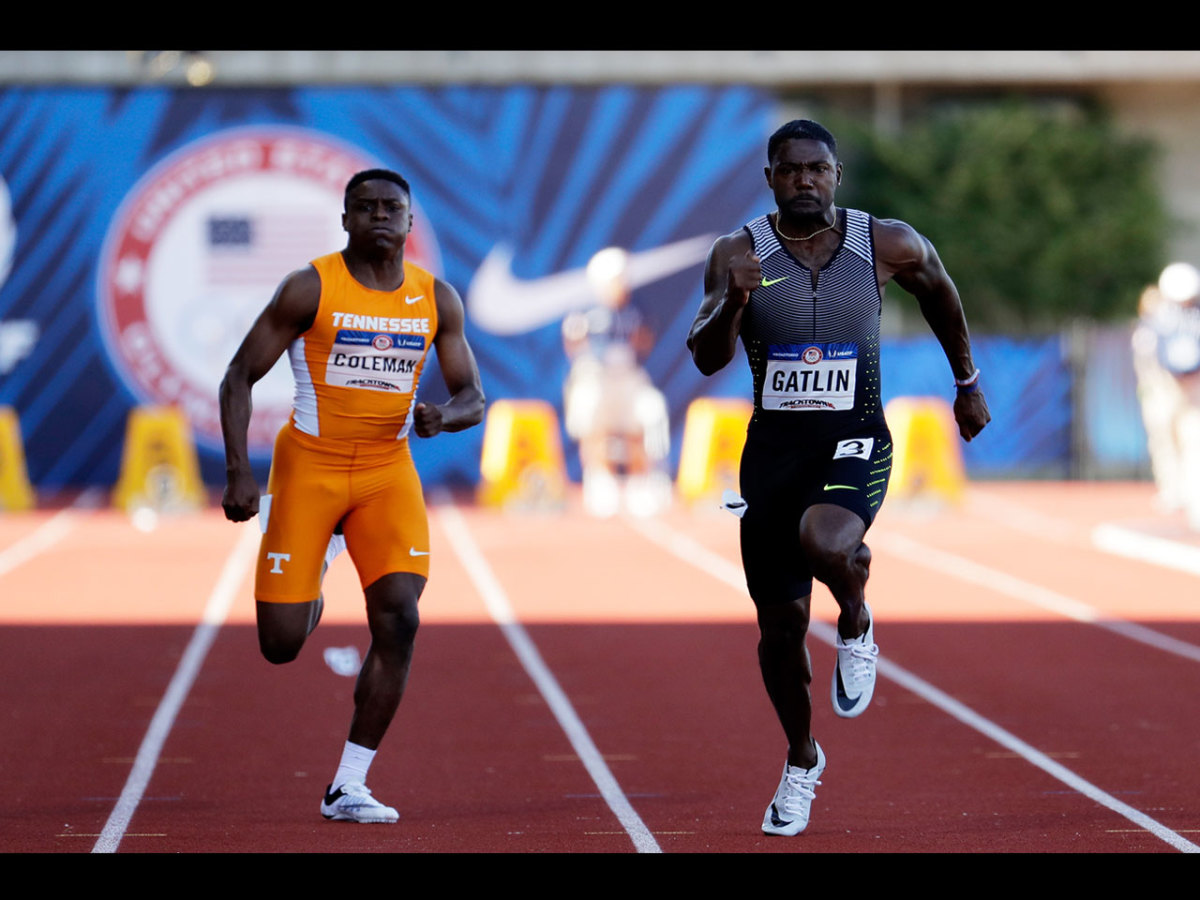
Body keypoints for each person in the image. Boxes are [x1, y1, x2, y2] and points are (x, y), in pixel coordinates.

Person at [687, 120, 990, 836]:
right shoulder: (736, 252)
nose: (804, 180)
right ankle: (801, 759)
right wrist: (733, 301)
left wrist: (967, 382)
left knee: (826, 541)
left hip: (855, 437)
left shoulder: (884, 242)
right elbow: (704, 356)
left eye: (816, 168)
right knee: (780, 629)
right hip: (773, 453)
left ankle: (855, 619)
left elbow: (941, 294)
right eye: (790, 170)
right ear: (770, 178)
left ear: (836, 175)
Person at [219, 168, 485, 823]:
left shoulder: (436, 298)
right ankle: (316, 564)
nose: (380, 216)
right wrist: (238, 472)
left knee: (399, 620)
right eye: (365, 207)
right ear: (345, 219)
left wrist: (443, 417)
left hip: (386, 473)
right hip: (309, 468)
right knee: (280, 643)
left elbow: (472, 397)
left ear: (411, 221)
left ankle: (348, 785)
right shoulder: (310, 287)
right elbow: (238, 376)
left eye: (392, 207)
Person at [562, 247, 671, 517]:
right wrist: (586, 356)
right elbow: (573, 345)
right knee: (590, 412)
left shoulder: (638, 308)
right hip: (596, 375)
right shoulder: (585, 310)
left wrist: (635, 345)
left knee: (647, 413)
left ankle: (639, 481)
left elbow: (645, 341)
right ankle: (600, 479)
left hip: (628, 375)